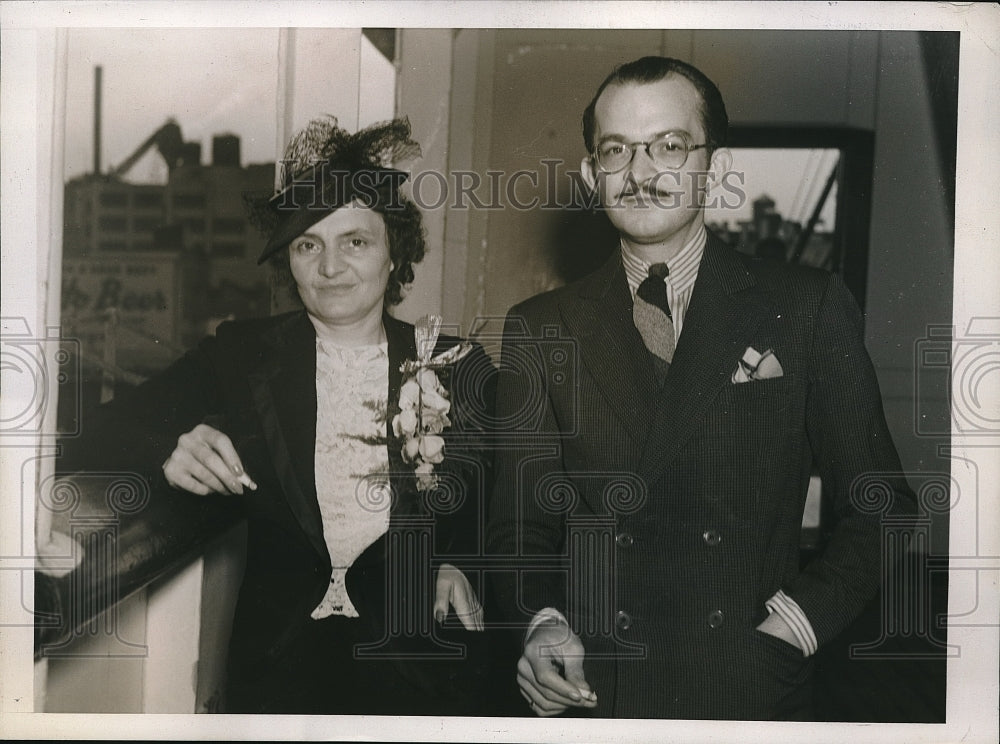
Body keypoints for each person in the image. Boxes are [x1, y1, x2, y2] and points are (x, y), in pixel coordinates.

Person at [486, 56, 916, 720]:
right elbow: (522, 528)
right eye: (616, 150)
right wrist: (542, 621)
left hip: (744, 682)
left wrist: (795, 626)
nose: (641, 172)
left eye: (669, 146)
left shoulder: (804, 307)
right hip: (596, 686)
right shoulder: (541, 329)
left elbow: (881, 504)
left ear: (714, 167)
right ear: (590, 174)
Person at [63, 116, 496, 715]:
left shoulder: (459, 366)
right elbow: (98, 430)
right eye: (307, 244)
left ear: (395, 253)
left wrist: (459, 561)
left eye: (355, 242)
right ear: (287, 261)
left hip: (420, 680)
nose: (329, 267)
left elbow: (506, 504)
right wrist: (170, 447)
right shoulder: (241, 355)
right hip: (279, 679)